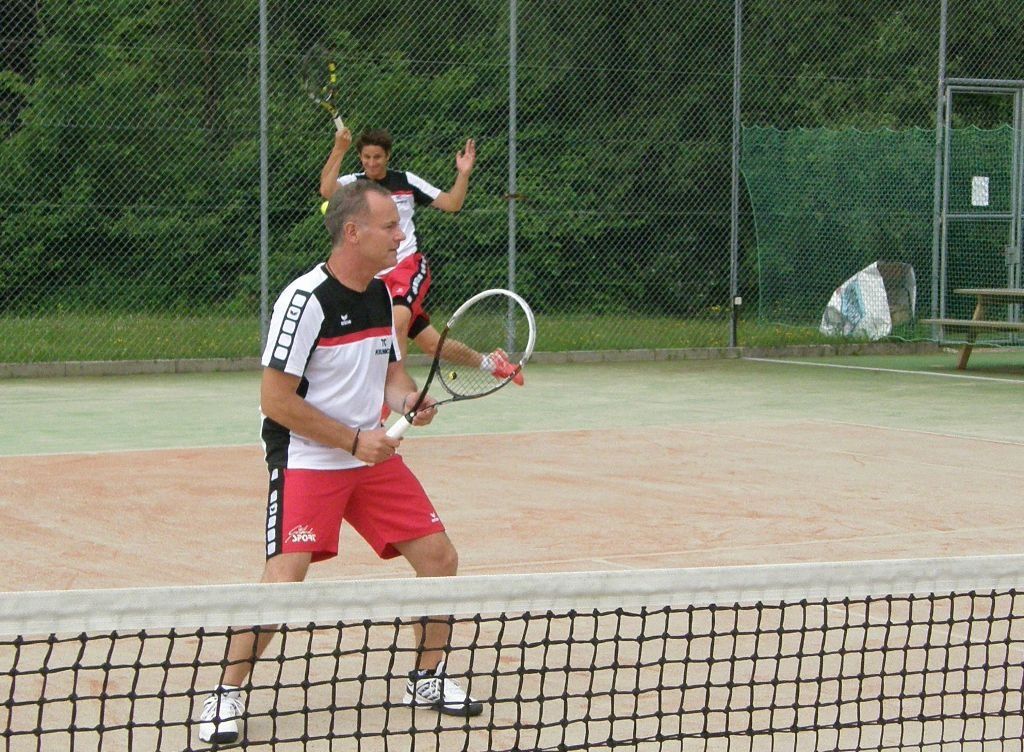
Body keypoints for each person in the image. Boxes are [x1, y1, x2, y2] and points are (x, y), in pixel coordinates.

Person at [198, 181, 483, 746]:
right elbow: (275, 401)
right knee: (285, 578)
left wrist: (408, 400)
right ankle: (225, 693)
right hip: (308, 455)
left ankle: (427, 678)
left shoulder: (382, 296)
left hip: (368, 454)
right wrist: (353, 442)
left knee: (439, 558)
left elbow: (391, 377)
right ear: (353, 232)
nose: (402, 236)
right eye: (390, 226)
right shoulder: (305, 301)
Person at [319, 127, 523, 396]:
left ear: (387, 156)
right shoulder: (354, 186)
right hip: (376, 279)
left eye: (377, 157)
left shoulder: (406, 181)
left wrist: (463, 174)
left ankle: (389, 399)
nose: (371, 163)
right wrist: (339, 149)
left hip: (408, 266)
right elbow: (327, 190)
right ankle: (492, 363)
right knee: (432, 345)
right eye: (366, 157)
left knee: (396, 323)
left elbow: (452, 203)